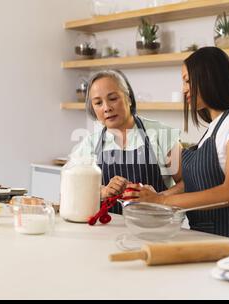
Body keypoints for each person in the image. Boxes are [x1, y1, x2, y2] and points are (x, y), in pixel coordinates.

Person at [126, 47, 229, 243]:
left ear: (209, 77)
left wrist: (162, 200)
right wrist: (153, 198)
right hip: (206, 236)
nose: (184, 90)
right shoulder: (212, 128)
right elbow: (192, 185)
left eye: (187, 81)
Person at [70, 69, 182, 214]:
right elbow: (72, 186)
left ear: (128, 98)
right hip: (105, 231)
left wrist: (158, 198)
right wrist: (102, 191)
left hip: (154, 229)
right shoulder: (90, 144)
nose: (107, 108)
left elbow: (187, 183)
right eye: (98, 103)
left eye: (113, 98)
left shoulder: (162, 135)